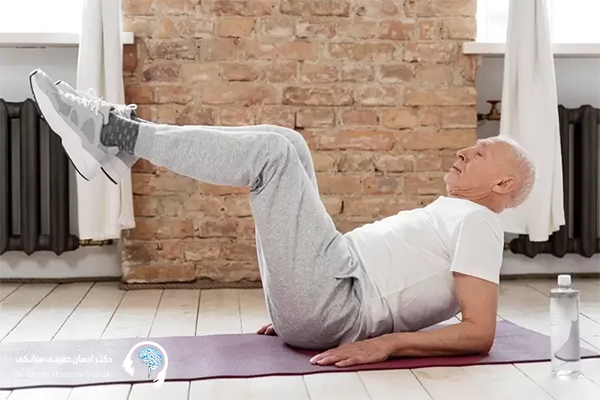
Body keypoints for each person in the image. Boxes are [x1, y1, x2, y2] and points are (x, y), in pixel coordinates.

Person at [29, 69, 535, 368]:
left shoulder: (479, 223)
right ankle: (123, 138)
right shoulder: (457, 212)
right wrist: (304, 293)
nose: (465, 151)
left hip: (336, 303)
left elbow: (479, 332)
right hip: (326, 291)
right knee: (286, 143)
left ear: (502, 185)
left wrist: (383, 343)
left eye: (481, 153)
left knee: (271, 155)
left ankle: (116, 134)